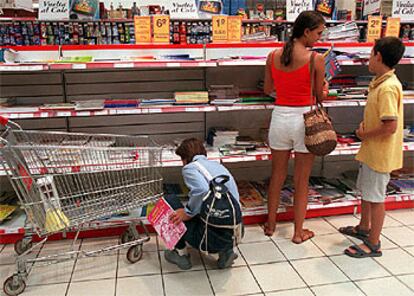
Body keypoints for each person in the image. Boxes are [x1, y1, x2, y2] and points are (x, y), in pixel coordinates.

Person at [263, 11, 327, 243]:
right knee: (302, 179)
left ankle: (271, 223)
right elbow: (319, 95)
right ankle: (298, 232)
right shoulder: (315, 59)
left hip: (279, 118)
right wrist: (325, 90)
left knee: (277, 175)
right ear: (306, 31)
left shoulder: (273, 55)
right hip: (304, 121)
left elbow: (267, 89)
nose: (319, 38)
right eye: (318, 33)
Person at [340, 37, 405, 258]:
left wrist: (363, 134)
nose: (368, 58)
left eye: (370, 54)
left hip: (380, 153)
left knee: (376, 198)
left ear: (378, 56)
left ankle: (374, 243)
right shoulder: (381, 82)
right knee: (367, 191)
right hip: (372, 151)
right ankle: (364, 227)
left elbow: (390, 126)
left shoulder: (387, 88)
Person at [164, 138, 241, 269]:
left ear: (185, 158)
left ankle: (181, 254)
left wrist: (188, 213)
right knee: (214, 207)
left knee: (169, 200)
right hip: (234, 233)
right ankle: (226, 252)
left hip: (208, 238)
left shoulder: (189, 168)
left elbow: (202, 189)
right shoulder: (218, 166)